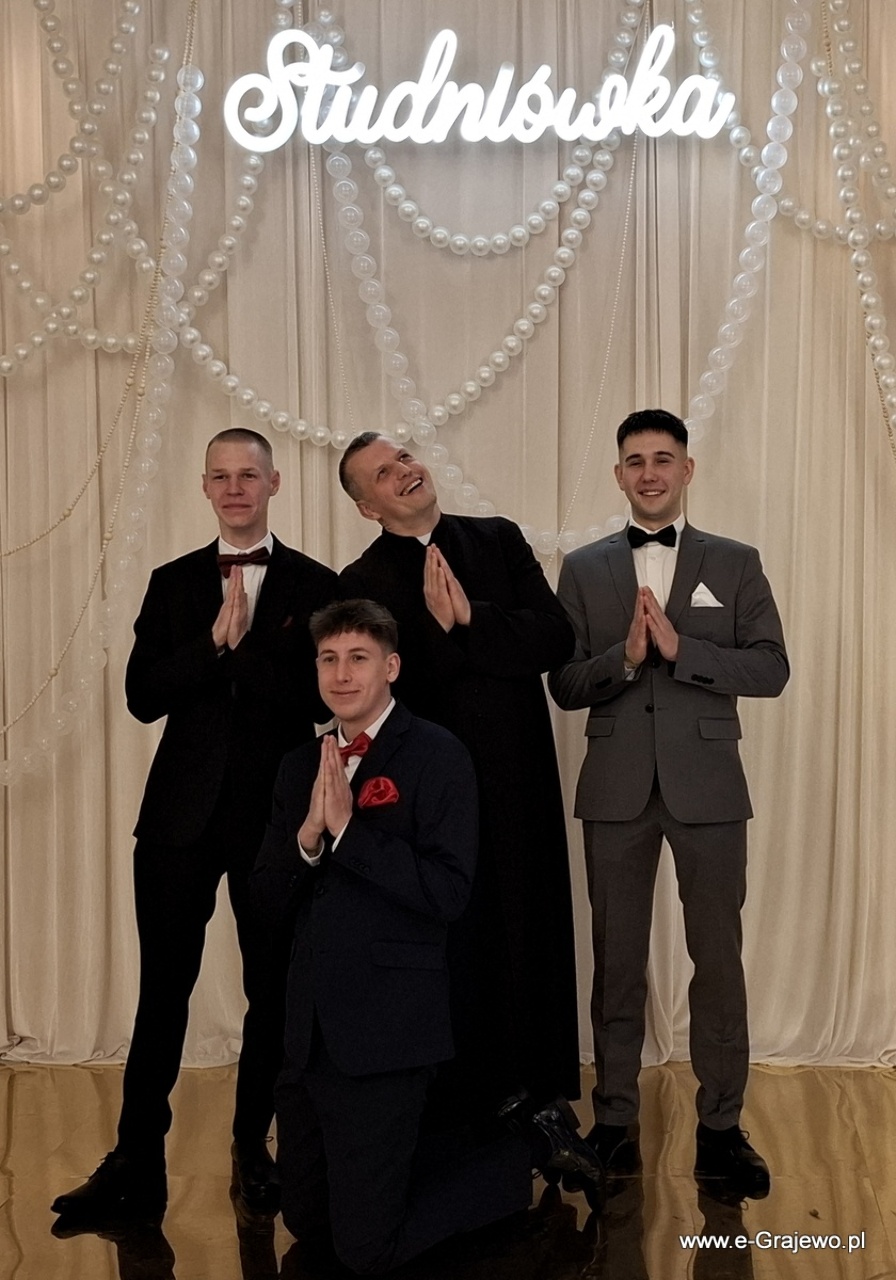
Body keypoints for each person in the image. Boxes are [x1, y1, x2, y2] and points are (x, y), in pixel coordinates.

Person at [256, 599, 602, 1276]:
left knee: (366, 1251)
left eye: (358, 658)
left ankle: (529, 1150)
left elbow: (447, 893)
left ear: (391, 667)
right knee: (305, 1220)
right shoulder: (299, 765)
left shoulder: (438, 755)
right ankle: (414, 1174)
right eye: (329, 659)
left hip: (390, 1031)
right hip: (308, 1034)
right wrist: (308, 838)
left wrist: (350, 834)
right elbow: (265, 899)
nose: (341, 674)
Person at [51, 428, 337, 1222]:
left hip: (274, 819)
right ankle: (135, 1161)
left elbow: (320, 701)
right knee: (162, 992)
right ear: (204, 486)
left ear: (274, 483)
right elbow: (143, 696)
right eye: (221, 476)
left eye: (249, 474)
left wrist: (241, 655)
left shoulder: (317, 585)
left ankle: (252, 1148)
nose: (235, 487)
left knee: (270, 990)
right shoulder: (172, 582)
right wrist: (212, 644)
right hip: (177, 819)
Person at [548, 408, 789, 1198]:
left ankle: (722, 1126)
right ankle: (614, 1120)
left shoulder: (737, 561)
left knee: (717, 961)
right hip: (615, 790)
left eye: (662, 458)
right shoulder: (583, 568)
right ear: (618, 475)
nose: (649, 473)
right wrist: (622, 659)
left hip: (709, 788)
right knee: (615, 960)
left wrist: (686, 652)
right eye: (635, 460)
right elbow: (565, 683)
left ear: (687, 470)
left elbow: (772, 667)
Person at [336, 434, 583, 1133]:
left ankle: (541, 1087)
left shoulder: (498, 538)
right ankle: (461, 1098)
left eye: (404, 458)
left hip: (519, 772)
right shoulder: (359, 581)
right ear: (367, 507)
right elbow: (384, 692)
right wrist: (444, 638)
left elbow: (555, 638)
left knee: (529, 921)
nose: (404, 472)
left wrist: (471, 619)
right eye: (383, 473)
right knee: (455, 936)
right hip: (432, 790)